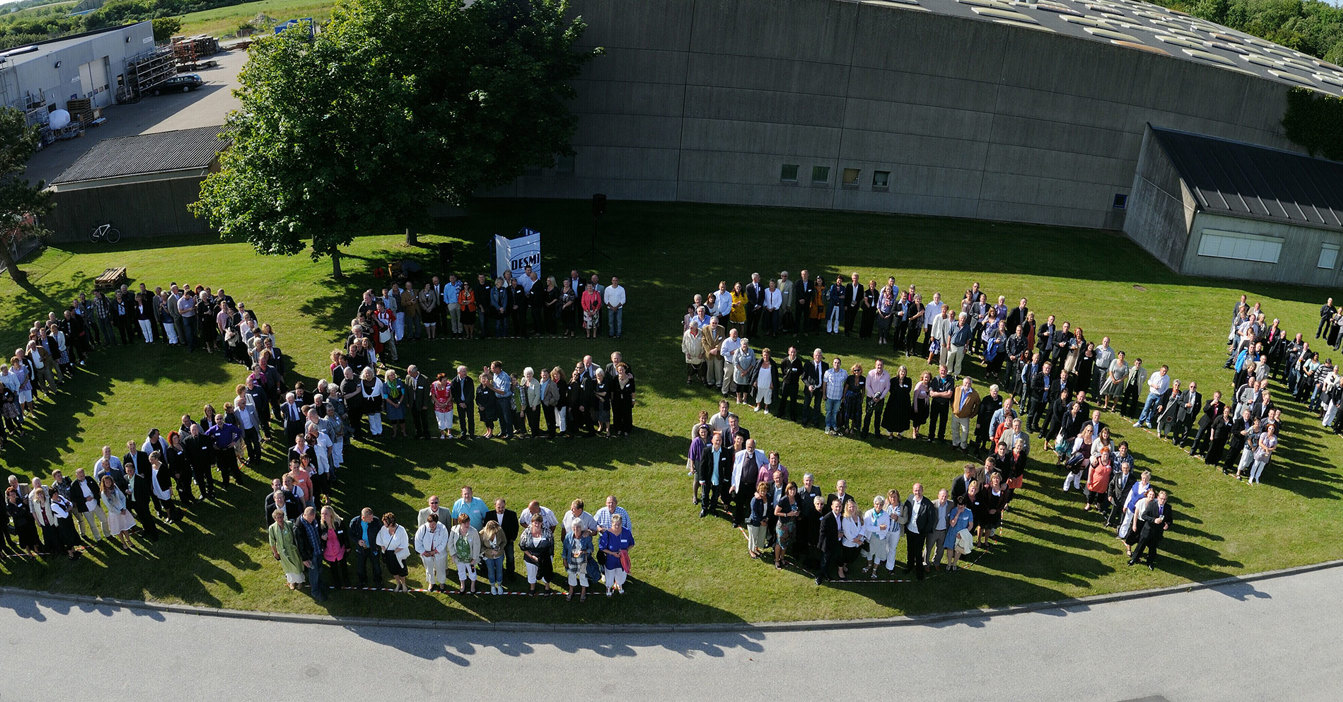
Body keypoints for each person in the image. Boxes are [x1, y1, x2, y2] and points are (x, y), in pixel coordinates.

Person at [1128, 489, 1172, 570]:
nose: (1162, 501)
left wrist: (1167, 525)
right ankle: (1134, 559)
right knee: (1141, 545)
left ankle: (1150, 562)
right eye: (1161, 498)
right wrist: (1154, 520)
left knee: (1153, 548)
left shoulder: (1168, 508)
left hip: (1157, 532)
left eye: (1164, 499)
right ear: (1158, 497)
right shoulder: (1152, 504)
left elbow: (1170, 520)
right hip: (1147, 530)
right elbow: (1144, 516)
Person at [292, 507, 326, 602]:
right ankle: (315, 591)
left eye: (313, 518)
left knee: (319, 569)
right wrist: (304, 558)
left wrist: (323, 534)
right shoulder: (298, 527)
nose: (312, 521)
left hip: (318, 550)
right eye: (310, 519)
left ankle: (320, 585)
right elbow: (300, 545)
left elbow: (319, 529)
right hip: (310, 555)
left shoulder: (315, 518)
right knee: (313, 573)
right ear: (305, 515)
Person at [902, 483, 935, 580]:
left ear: (922, 491)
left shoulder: (928, 504)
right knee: (910, 550)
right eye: (916, 490)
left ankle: (919, 571)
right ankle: (909, 566)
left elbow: (931, 520)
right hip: (910, 531)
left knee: (918, 552)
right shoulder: (909, 499)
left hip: (920, 533)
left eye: (919, 490)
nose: (918, 492)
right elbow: (904, 510)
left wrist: (924, 531)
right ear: (913, 491)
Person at [267, 508, 306, 590]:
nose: (280, 519)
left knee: (296, 565)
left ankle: (299, 581)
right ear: (274, 518)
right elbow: (272, 542)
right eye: (277, 517)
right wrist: (275, 553)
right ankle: (292, 581)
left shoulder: (289, 524)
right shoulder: (272, 528)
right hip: (282, 551)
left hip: (292, 549)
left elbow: (296, 536)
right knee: (287, 567)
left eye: (281, 517)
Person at [598, 513, 634, 596]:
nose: (617, 527)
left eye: (619, 524)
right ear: (611, 524)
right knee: (609, 574)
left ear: (621, 523)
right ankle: (608, 588)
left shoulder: (626, 532)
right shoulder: (607, 534)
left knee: (621, 574)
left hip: (622, 560)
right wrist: (612, 553)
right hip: (611, 559)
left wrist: (625, 551)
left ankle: (619, 584)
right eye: (615, 525)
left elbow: (632, 543)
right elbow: (602, 548)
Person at [376, 512, 411, 593]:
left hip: (398, 553)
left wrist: (396, 550)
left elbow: (405, 542)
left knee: (401, 570)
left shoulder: (401, 530)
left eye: (385, 522)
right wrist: (382, 546)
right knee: (393, 570)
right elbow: (379, 537)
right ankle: (398, 583)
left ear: (391, 523)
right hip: (388, 554)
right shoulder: (384, 528)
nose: (384, 524)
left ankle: (404, 584)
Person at [347, 507, 382, 587]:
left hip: (373, 548)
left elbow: (381, 533)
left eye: (372, 517)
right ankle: (362, 581)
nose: (372, 520)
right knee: (360, 567)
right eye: (370, 519)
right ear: (363, 518)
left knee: (376, 566)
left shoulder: (376, 521)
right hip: (361, 549)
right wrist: (358, 541)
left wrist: (378, 545)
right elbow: (351, 534)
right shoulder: (354, 522)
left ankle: (378, 581)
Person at [446, 513, 481, 593]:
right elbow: (450, 543)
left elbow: (476, 545)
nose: (467, 524)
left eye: (468, 522)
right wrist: (453, 554)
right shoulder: (454, 530)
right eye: (465, 523)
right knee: (461, 571)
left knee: (472, 572)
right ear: (460, 523)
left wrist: (474, 558)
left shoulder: (474, 531)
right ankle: (462, 584)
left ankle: (473, 585)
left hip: (470, 558)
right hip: (459, 558)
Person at [518, 518, 554, 595]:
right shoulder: (526, 532)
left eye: (539, 522)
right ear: (532, 522)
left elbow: (551, 545)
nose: (537, 524)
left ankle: (547, 587)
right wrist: (531, 556)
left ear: (542, 523)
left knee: (546, 572)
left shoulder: (547, 532)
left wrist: (548, 557)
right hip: (530, 558)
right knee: (531, 573)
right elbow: (522, 545)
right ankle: (532, 587)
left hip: (545, 558)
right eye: (535, 522)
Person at [318, 505, 349, 590]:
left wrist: (347, 546)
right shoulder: (321, 526)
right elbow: (319, 540)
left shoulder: (339, 523)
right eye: (322, 514)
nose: (324, 516)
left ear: (331, 514)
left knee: (343, 566)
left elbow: (345, 535)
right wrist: (322, 539)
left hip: (340, 549)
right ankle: (337, 583)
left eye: (326, 514)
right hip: (329, 551)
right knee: (333, 568)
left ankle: (346, 580)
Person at [943, 496, 975, 571]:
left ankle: (954, 564)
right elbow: (952, 524)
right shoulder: (954, 511)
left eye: (962, 505)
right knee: (950, 548)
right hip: (952, 533)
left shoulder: (969, 512)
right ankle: (949, 563)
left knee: (958, 550)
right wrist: (958, 513)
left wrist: (963, 534)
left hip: (961, 535)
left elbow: (971, 525)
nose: (960, 506)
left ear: (965, 505)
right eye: (959, 505)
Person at [563, 520, 592, 601]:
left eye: (579, 527)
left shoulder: (586, 537)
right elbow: (564, 549)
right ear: (572, 528)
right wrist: (564, 559)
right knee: (571, 575)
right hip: (571, 560)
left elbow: (591, 549)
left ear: (582, 528)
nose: (576, 528)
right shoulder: (568, 536)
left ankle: (583, 591)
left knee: (583, 576)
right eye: (574, 527)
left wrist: (583, 552)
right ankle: (571, 590)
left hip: (582, 561)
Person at [480, 518, 508, 595]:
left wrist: (499, 548)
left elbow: (504, 541)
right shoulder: (482, 534)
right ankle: (492, 586)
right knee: (491, 571)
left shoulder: (500, 530)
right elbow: (481, 546)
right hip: (488, 557)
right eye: (493, 531)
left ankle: (499, 585)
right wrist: (489, 551)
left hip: (499, 555)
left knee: (499, 571)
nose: (495, 532)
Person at [746, 481, 770, 558]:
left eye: (765, 491)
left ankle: (756, 549)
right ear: (758, 490)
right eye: (761, 491)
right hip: (754, 522)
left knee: (760, 536)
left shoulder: (768, 497)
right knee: (753, 537)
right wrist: (760, 521)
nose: (763, 492)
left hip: (764, 520)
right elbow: (754, 513)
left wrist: (767, 518)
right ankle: (751, 550)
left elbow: (770, 509)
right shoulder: (755, 499)